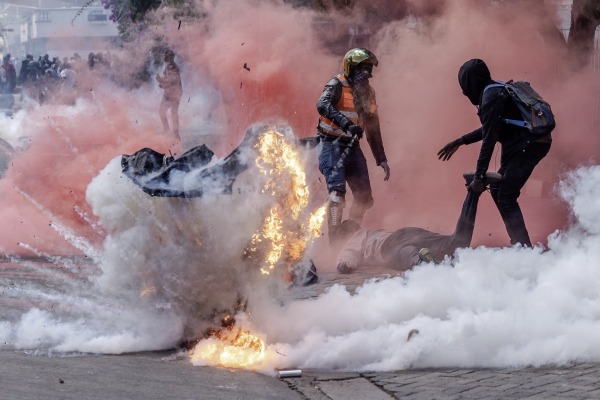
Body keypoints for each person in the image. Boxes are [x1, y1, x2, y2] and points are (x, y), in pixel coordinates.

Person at [437, 59, 552, 248]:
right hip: (522, 144)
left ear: (471, 82)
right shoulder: (494, 89)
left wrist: (479, 177)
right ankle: (519, 245)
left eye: (465, 85)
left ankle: (523, 248)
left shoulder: (491, 96)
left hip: (529, 145)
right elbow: (491, 128)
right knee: (499, 190)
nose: (465, 92)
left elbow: (489, 140)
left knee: (506, 195)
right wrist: (461, 141)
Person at [336, 172, 501, 273]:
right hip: (410, 233)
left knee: (409, 258)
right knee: (456, 243)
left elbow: (348, 255)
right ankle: (473, 189)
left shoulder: (356, 236)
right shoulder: (372, 232)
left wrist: (344, 265)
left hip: (392, 245)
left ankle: (424, 263)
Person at [316, 47, 391, 244]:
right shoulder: (337, 84)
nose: (368, 75)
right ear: (352, 67)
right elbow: (322, 105)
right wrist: (347, 124)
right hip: (331, 145)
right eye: (363, 69)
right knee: (337, 196)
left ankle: (349, 232)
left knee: (365, 198)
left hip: (352, 149)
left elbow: (373, 127)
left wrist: (381, 158)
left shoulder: (368, 94)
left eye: (369, 69)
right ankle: (334, 241)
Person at [156, 49, 183, 142]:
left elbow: (172, 80)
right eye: (168, 56)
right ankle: (168, 133)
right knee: (163, 112)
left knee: (173, 114)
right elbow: (169, 80)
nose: (169, 58)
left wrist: (161, 80)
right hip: (168, 94)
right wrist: (162, 84)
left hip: (174, 94)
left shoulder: (173, 67)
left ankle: (175, 135)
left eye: (171, 56)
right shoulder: (168, 66)